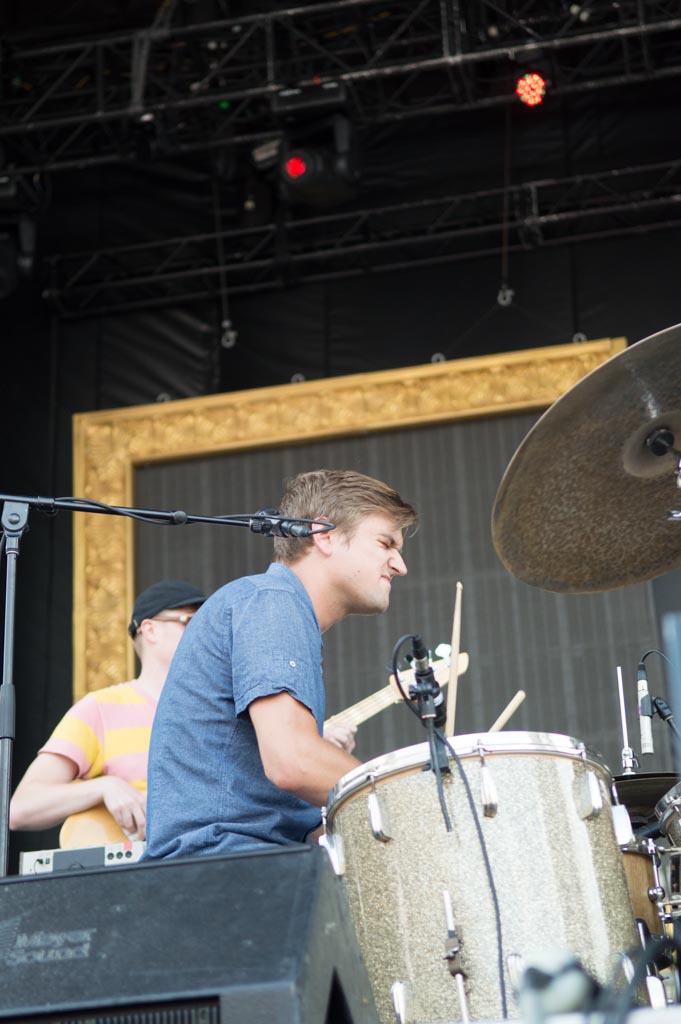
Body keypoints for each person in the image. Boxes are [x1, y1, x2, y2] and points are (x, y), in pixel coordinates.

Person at [145, 468, 417, 859]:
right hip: (226, 866)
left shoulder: (275, 607)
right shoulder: (273, 601)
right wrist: (403, 804)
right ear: (323, 534)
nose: (399, 565)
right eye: (385, 543)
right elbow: (293, 761)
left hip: (240, 863)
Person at [9, 579, 207, 846]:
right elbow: (21, 808)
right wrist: (105, 786)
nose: (204, 632)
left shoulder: (222, 709)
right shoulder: (100, 708)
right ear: (150, 630)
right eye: (190, 621)